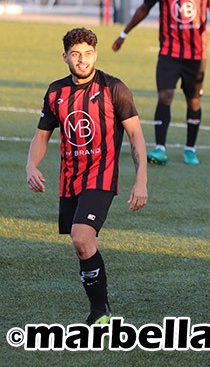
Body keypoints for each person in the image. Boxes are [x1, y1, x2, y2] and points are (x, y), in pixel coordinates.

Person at [26, 27, 148, 325]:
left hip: (101, 177)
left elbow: (136, 136)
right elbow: (42, 135)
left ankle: (98, 313)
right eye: (77, 54)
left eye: (89, 54)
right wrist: (31, 165)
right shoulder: (56, 91)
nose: (83, 60)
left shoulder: (114, 88)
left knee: (82, 237)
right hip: (71, 178)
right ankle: (101, 308)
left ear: (96, 54)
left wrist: (141, 180)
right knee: (82, 244)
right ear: (65, 56)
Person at [112, 0, 210, 166]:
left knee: (194, 101)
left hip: (196, 55)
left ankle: (190, 149)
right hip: (169, 53)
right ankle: (160, 148)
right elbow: (144, 9)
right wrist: (124, 34)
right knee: (165, 96)